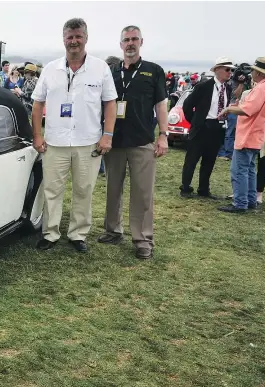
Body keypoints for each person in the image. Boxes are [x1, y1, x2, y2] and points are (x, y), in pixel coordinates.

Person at [31, 18, 118, 253]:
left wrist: (107, 135)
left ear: (86, 38)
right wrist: (37, 136)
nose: (74, 41)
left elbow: (111, 104)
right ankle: (50, 233)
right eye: (69, 37)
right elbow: (37, 105)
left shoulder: (100, 68)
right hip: (54, 142)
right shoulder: (50, 69)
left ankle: (78, 234)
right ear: (63, 40)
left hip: (88, 141)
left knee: (84, 189)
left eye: (78, 36)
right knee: (51, 189)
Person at [98, 25, 168, 260]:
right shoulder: (111, 71)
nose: (130, 43)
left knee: (142, 192)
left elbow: (160, 106)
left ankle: (143, 239)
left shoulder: (153, 71)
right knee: (112, 189)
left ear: (141, 42)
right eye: (126, 40)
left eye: (134, 39)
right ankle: (112, 230)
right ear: (120, 44)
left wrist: (163, 135)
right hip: (114, 141)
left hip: (142, 140)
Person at [216, 57, 265, 213]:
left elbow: (248, 109)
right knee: (249, 169)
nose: (251, 72)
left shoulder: (262, 88)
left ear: (259, 72)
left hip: (249, 135)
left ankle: (240, 203)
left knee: (239, 170)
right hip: (257, 135)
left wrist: (228, 109)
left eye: (253, 70)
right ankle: (250, 200)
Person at [179, 57, 235, 199]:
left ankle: (203, 189)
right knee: (192, 159)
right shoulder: (203, 86)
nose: (230, 73)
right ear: (217, 70)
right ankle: (185, 188)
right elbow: (187, 105)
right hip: (202, 127)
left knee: (209, 160)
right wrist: (196, 121)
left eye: (231, 70)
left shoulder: (227, 88)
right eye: (227, 69)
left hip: (218, 128)